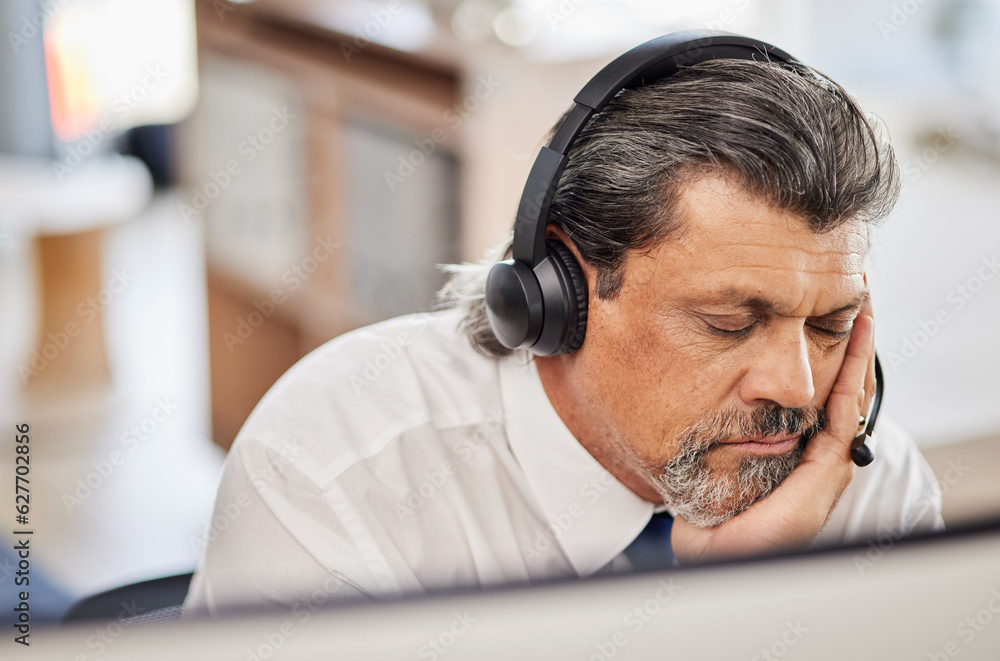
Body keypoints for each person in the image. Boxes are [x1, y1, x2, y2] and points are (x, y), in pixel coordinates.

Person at [184, 34, 943, 617]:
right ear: (557, 296)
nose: (798, 385)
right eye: (728, 323)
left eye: (830, 324)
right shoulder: (335, 471)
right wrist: (719, 611)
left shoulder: (867, 482)